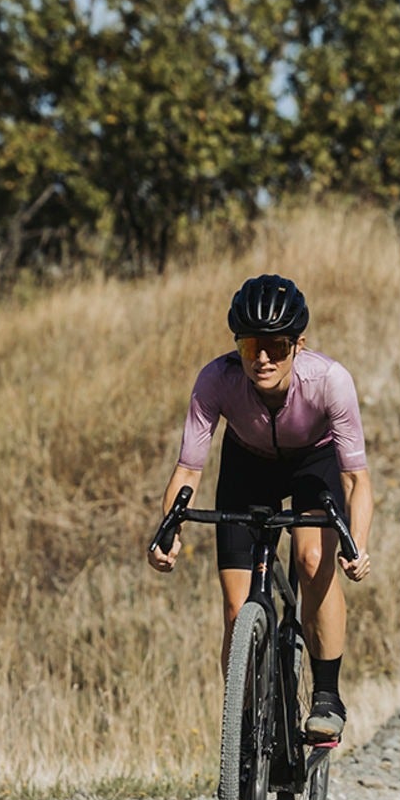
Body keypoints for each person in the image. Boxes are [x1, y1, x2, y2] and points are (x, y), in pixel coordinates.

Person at [149, 274, 373, 744]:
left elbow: (355, 478)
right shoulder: (217, 379)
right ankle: (245, 729)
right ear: (238, 346)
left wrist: (358, 544)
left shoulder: (329, 381)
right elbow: (188, 470)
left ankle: (327, 696)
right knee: (236, 606)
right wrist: (167, 531)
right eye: (252, 346)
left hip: (314, 462)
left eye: (275, 346)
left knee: (312, 560)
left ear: (298, 344)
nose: (263, 359)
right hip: (247, 463)